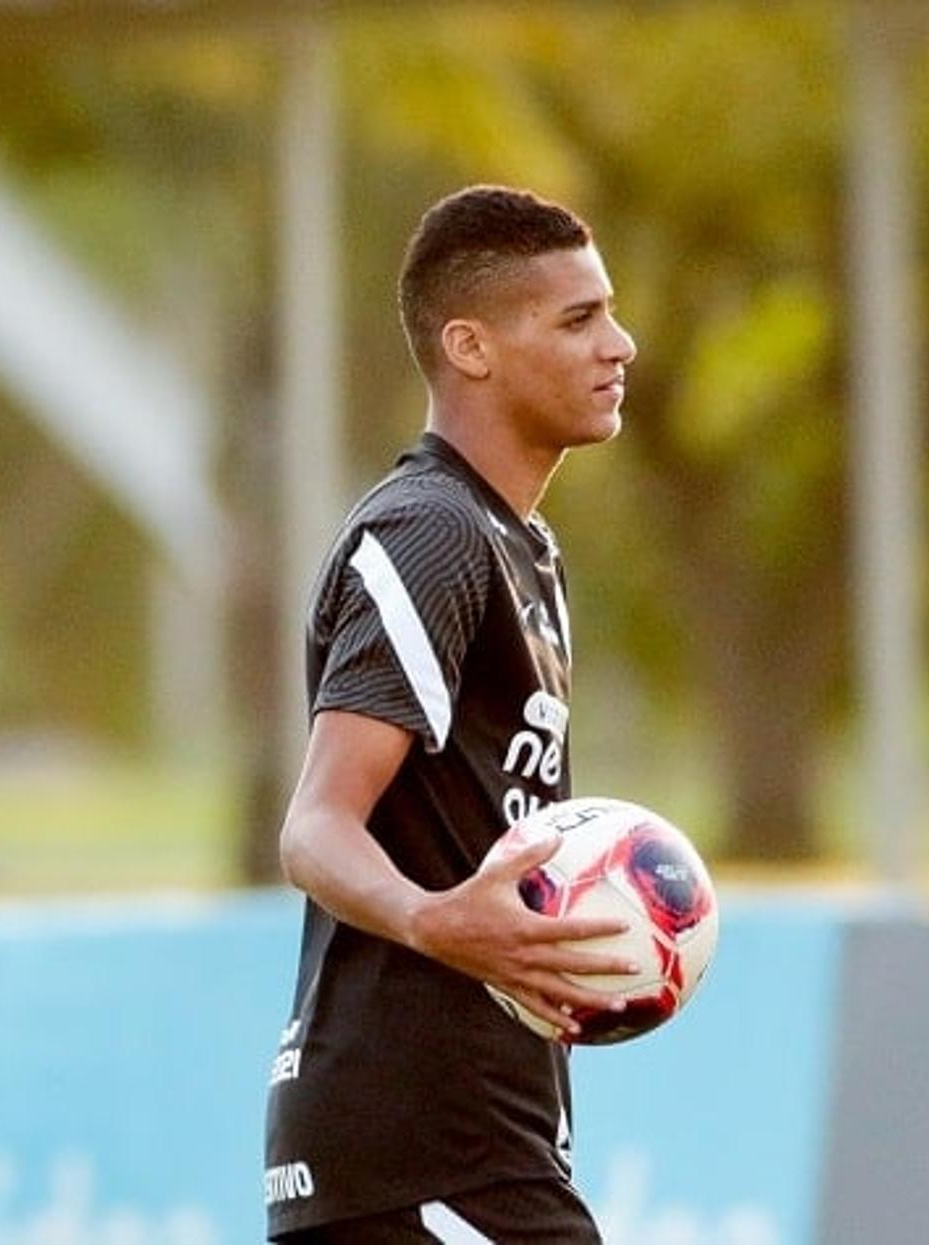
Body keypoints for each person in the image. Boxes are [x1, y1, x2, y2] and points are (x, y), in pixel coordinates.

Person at [263, 185, 639, 1243]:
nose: (621, 344)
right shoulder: (430, 535)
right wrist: (439, 921)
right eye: (578, 319)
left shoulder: (522, 549)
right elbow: (315, 825)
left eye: (608, 311)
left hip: (468, 1141)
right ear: (469, 347)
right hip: (419, 1146)